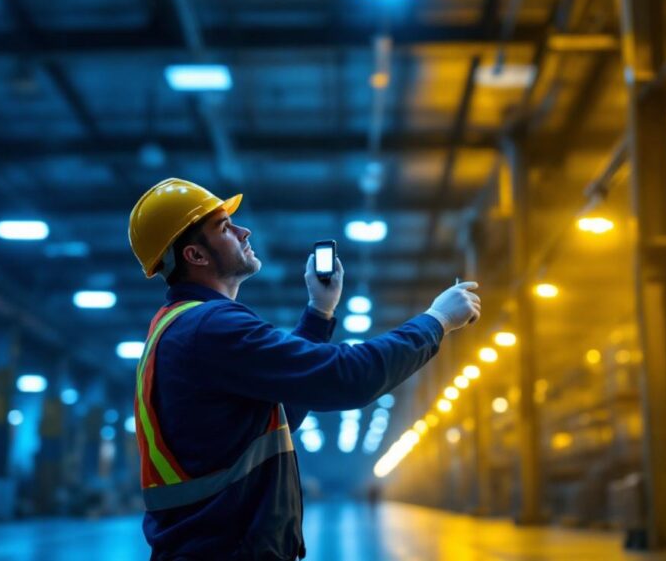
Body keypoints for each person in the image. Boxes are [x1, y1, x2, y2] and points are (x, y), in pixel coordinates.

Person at [128, 178, 481, 560]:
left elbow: (276, 417)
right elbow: (347, 378)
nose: (243, 230)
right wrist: (437, 321)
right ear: (196, 256)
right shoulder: (209, 327)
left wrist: (319, 311)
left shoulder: (178, 326)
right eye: (224, 227)